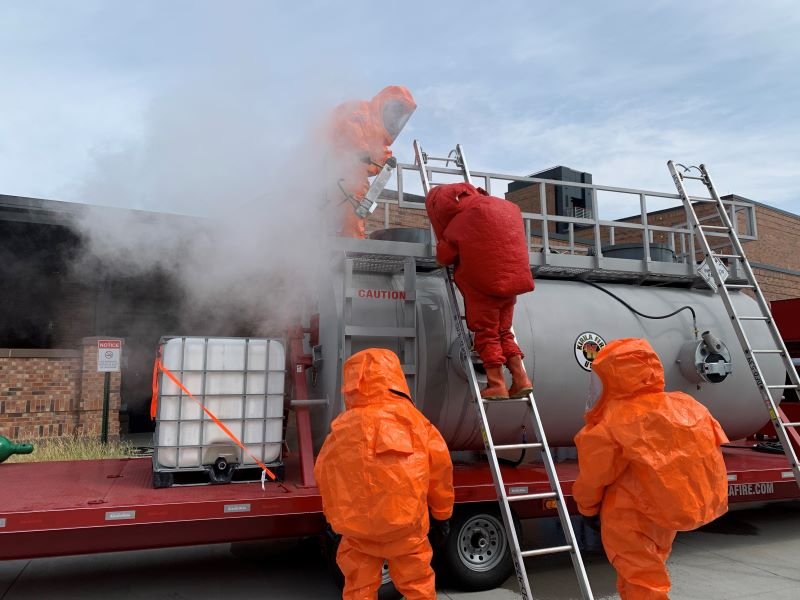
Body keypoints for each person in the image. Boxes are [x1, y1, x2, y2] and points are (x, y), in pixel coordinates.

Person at [573, 337, 730, 600]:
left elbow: (593, 476)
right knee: (644, 573)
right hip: (664, 512)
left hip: (628, 515)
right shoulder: (687, 406)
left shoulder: (612, 421)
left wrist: (586, 509)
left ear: (614, 378)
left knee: (642, 582)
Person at [314, 348, 454, 600]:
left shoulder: (340, 428)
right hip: (406, 529)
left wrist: (332, 516)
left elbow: (323, 474)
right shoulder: (415, 422)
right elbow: (440, 468)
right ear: (395, 378)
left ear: (351, 383)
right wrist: (442, 515)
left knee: (358, 590)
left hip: (357, 533)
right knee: (418, 588)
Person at [425, 182, 534, 399]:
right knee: (505, 331)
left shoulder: (463, 219)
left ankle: (497, 384)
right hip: (511, 283)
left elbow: (444, 256)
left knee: (487, 334)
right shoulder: (506, 208)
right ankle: (521, 379)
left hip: (484, 288)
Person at [328, 86, 417, 238]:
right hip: (331, 165)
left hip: (342, 172)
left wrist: (386, 162)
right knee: (355, 196)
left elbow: (376, 158)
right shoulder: (360, 113)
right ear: (387, 105)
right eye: (396, 111)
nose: (395, 117)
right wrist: (361, 153)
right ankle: (351, 241)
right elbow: (351, 135)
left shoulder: (378, 135)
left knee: (354, 203)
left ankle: (348, 239)